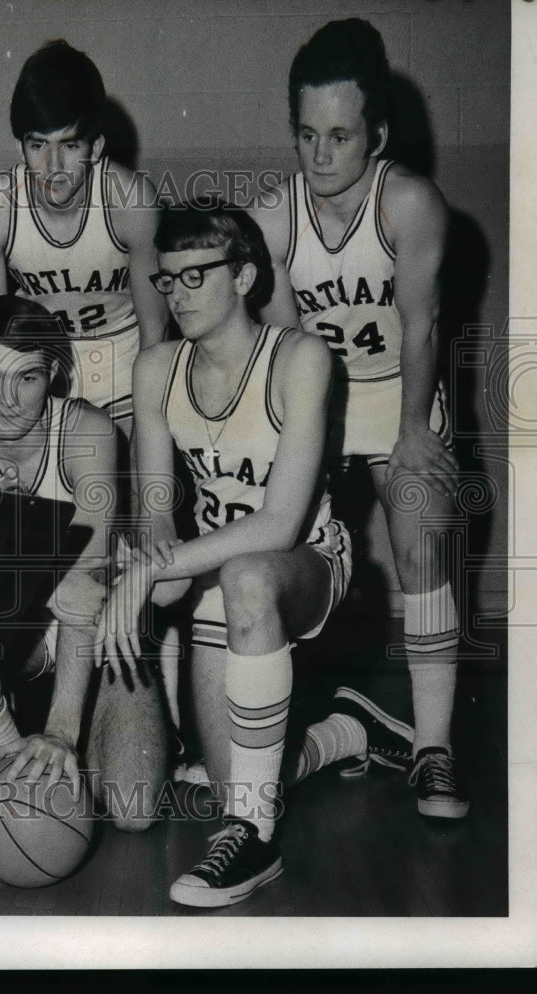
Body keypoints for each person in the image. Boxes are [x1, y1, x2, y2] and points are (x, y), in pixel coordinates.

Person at [99, 199, 396, 908]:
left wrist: (155, 572)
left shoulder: (301, 357)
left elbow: (281, 521)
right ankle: (348, 732)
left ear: (245, 275)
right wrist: (144, 579)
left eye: (196, 275)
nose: (177, 294)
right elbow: (155, 521)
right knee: (237, 778)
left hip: (306, 564)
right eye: (166, 280)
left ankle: (254, 843)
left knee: (247, 573)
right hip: (211, 573)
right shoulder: (155, 369)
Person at [251, 18, 468, 819]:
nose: (320, 154)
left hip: (395, 390)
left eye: (340, 136)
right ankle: (270, 734)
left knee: (424, 519)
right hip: (321, 399)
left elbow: (421, 326)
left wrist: (413, 431)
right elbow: (284, 354)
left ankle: (434, 747)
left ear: (376, 135)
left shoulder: (410, 204)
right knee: (268, 543)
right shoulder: (274, 221)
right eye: (306, 135)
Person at [0, 295, 167, 832]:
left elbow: (86, 588)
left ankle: (45, 731)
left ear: (52, 373)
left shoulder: (89, 432)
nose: (6, 400)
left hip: (98, 630)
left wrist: (61, 731)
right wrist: (27, 557)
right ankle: (4, 754)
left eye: (26, 379)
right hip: (16, 627)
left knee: (132, 810)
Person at [0, 40, 168, 435]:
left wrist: (148, 420)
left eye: (69, 145)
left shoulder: (131, 202)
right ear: (19, 145)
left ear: (96, 146)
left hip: (124, 369)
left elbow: (156, 332)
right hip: (40, 375)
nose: (53, 166)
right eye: (37, 144)